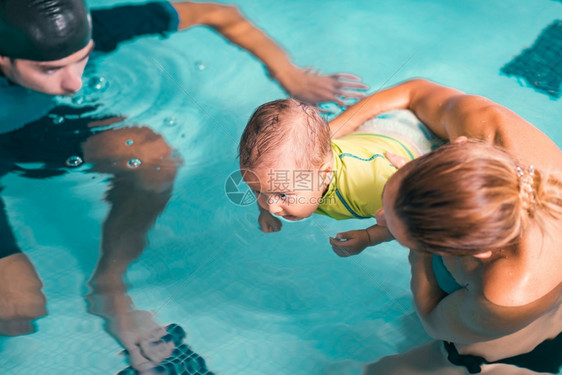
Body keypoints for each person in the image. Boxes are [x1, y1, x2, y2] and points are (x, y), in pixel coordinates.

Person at [0, 0, 365, 371]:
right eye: (51, 69)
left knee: (154, 158)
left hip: (58, 132)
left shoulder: (96, 29)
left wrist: (289, 75)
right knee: (18, 312)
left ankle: (108, 284)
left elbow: (217, 12)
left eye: (83, 59)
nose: (74, 82)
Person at [345, 79, 562, 374]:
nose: (379, 217)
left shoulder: (504, 293)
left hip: (507, 354)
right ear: (459, 144)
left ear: (480, 252)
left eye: (401, 233)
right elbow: (414, 92)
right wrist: (322, 139)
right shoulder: (493, 130)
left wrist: (416, 253)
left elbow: (434, 321)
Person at [238, 98, 443, 256]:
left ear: (325, 174)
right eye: (258, 191)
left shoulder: (374, 189)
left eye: (283, 195)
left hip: (410, 136)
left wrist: (369, 237)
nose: (272, 206)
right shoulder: (276, 178)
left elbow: (404, 223)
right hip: (365, 139)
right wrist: (264, 213)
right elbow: (265, 184)